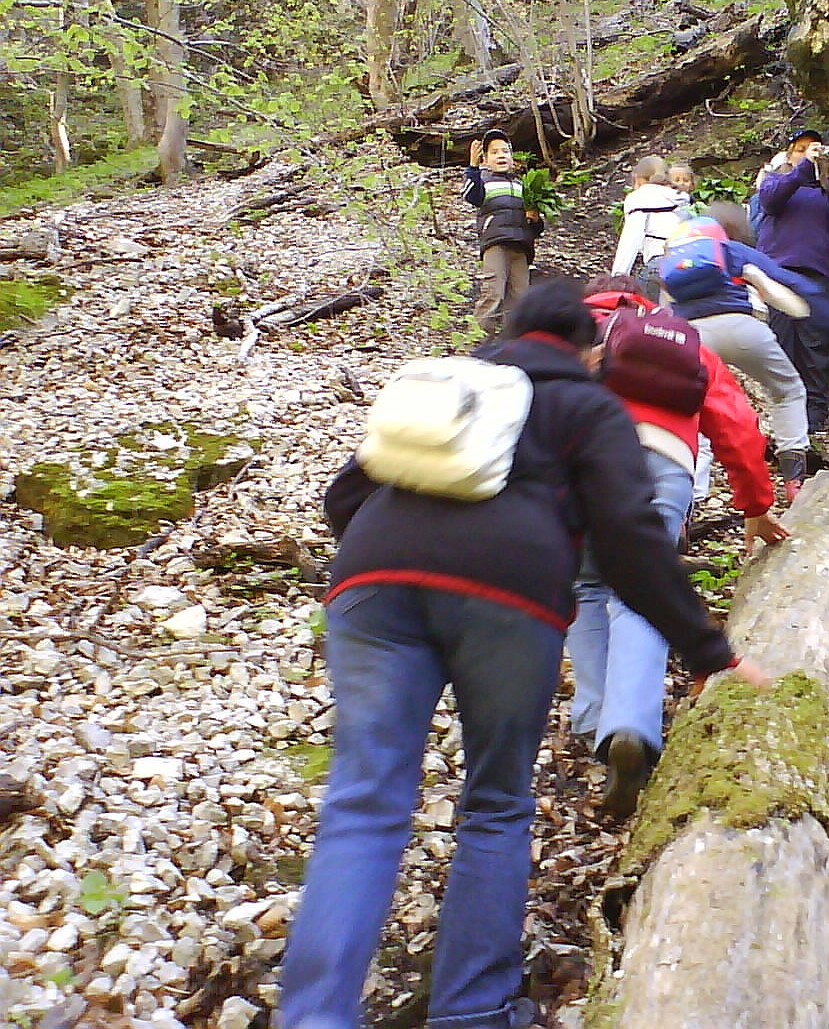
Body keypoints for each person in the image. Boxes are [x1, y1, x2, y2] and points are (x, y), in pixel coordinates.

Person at [277, 278, 767, 1029]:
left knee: (363, 805)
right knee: (496, 804)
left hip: (373, 587)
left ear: (508, 333)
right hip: (509, 602)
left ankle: (312, 1015)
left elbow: (343, 499)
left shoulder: (451, 380)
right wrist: (710, 652)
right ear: (591, 348)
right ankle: (472, 1010)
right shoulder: (588, 405)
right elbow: (632, 542)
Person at [570, 274, 788, 819]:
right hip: (665, 465)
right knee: (640, 591)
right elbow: (736, 422)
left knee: (585, 585)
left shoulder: (568, 332)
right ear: (646, 297)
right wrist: (755, 505)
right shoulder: (680, 337)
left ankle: (597, 721)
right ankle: (631, 725)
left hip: (580, 460)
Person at [659, 203, 815, 503]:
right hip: (744, 328)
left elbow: (665, 309)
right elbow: (771, 288)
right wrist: (801, 310)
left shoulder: (671, 264)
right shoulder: (731, 252)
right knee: (787, 390)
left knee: (695, 405)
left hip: (694, 336)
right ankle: (793, 477)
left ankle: (690, 494)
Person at [756, 129, 829, 432]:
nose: (808, 153)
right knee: (779, 342)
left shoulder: (822, 192)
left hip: (814, 274)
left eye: (814, 149)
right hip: (775, 273)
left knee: (813, 347)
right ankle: (778, 412)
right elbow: (770, 200)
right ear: (788, 154)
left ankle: (814, 415)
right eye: (800, 148)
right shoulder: (775, 180)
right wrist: (804, 166)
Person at [462, 129, 544, 336]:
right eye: (495, 152)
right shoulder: (484, 181)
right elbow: (470, 195)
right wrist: (472, 166)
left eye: (505, 152)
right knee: (492, 291)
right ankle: (479, 338)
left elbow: (537, 228)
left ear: (512, 157)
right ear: (486, 159)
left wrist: (534, 219)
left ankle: (514, 341)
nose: (501, 156)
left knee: (520, 296)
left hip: (522, 246)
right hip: (495, 242)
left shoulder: (521, 185)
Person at [611, 156, 689, 287]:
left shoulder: (640, 198)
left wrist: (617, 278)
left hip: (661, 264)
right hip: (690, 264)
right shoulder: (682, 198)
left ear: (638, 178)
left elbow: (631, 238)